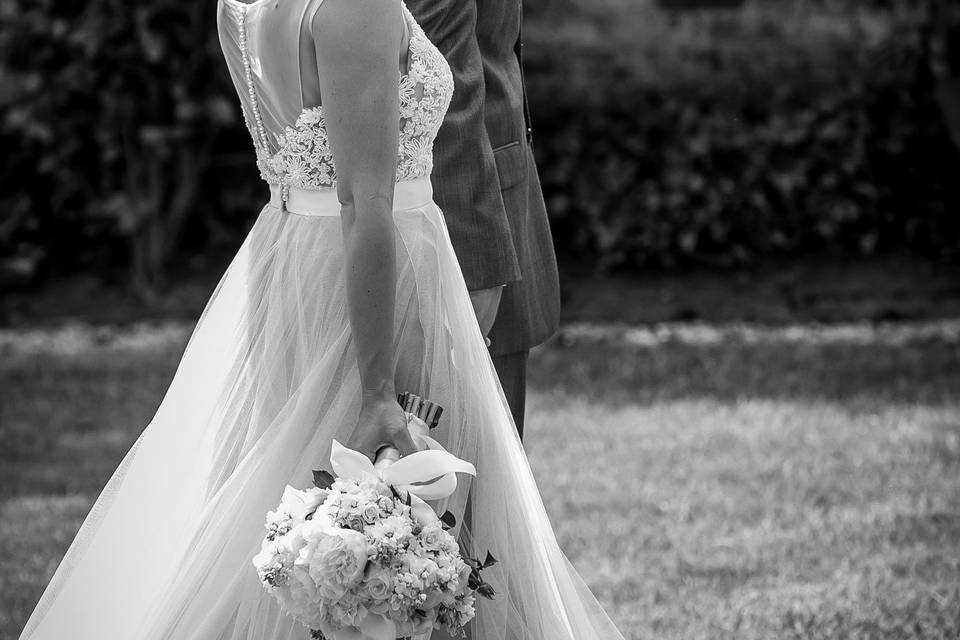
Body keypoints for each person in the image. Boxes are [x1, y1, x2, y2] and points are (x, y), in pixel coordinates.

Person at [18, 0, 624, 638]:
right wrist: (378, 393)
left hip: (297, 265)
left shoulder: (244, 5)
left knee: (308, 502)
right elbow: (365, 206)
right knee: (404, 513)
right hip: (381, 286)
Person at [405, 0, 561, 436]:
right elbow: (436, 77)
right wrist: (480, 266)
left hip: (498, 192)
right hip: (469, 219)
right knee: (458, 480)